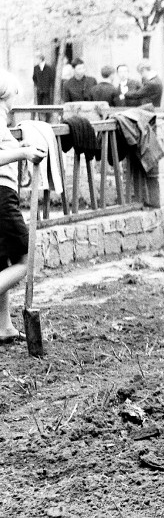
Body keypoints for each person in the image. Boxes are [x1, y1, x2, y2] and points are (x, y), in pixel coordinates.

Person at [0, 71, 46, 344]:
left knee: (1, 262)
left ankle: (4, 327)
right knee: (26, 260)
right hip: (2, 198)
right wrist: (24, 153)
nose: (16, 98)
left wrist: (20, 145)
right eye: (15, 92)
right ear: (6, 92)